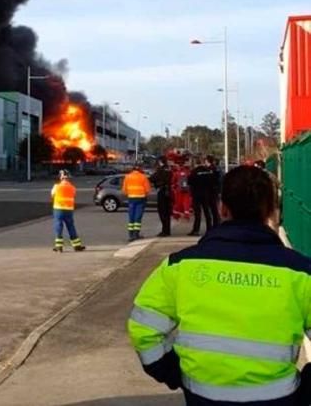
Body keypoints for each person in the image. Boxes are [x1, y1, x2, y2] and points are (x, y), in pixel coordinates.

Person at [128, 164, 311, 406]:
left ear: (222, 208)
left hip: (202, 397)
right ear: (270, 210)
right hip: (281, 399)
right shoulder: (300, 272)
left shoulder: (179, 266)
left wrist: (172, 372)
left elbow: (143, 329)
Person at [50, 170, 85, 252]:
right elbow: (73, 195)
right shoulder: (72, 187)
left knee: (58, 226)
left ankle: (59, 247)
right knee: (71, 227)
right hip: (69, 210)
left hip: (58, 209)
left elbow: (52, 195)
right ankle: (77, 246)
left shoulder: (56, 186)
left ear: (60, 177)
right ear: (68, 178)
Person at [187, 154, 220, 236]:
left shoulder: (194, 171)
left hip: (197, 194)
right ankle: (209, 229)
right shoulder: (209, 171)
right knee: (207, 212)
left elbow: (190, 182)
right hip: (206, 194)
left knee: (197, 213)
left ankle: (196, 230)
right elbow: (214, 181)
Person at [122, 166, 151, 242]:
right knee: (138, 217)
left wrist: (131, 193)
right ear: (140, 170)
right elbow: (147, 190)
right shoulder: (143, 177)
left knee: (131, 216)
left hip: (131, 199)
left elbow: (124, 190)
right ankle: (136, 234)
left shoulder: (127, 177)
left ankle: (131, 235)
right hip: (141, 199)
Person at [152, 156, 172, 237]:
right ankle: (167, 230)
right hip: (169, 192)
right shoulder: (169, 169)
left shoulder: (160, 170)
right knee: (167, 213)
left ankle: (164, 231)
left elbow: (152, 178)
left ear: (160, 162)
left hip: (162, 192)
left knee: (162, 212)